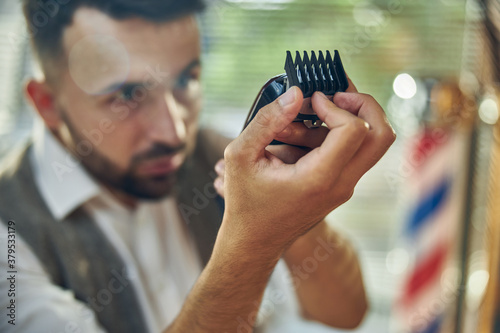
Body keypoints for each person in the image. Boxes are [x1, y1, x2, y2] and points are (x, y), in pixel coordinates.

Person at [0, 0, 396, 332]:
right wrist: (255, 240)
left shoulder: (222, 156)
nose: (173, 131)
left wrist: (301, 220)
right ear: (48, 104)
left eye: (185, 80)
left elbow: (345, 314)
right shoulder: (10, 235)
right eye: (127, 95)